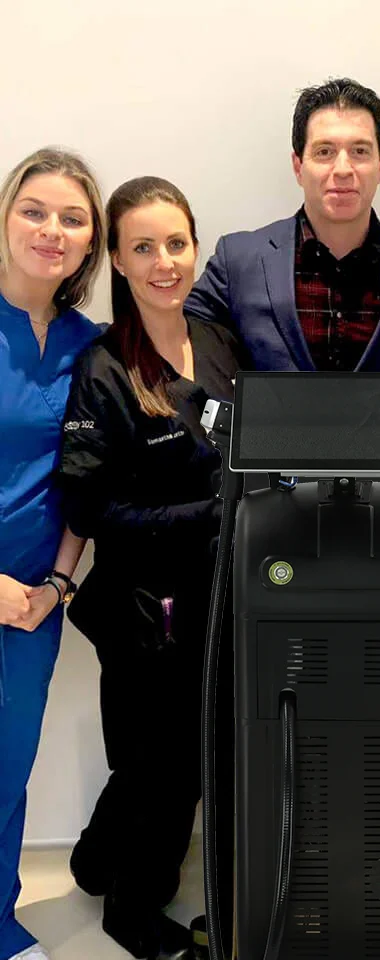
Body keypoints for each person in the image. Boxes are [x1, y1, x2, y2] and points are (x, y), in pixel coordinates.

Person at [58, 177, 238, 960]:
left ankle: (96, 861)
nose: (164, 261)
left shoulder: (217, 341)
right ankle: (131, 912)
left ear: (195, 246)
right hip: (142, 605)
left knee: (181, 756)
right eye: (143, 247)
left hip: (216, 593)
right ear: (118, 261)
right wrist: (208, 515)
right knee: (156, 764)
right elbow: (89, 506)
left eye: (176, 243)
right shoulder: (104, 368)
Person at [0, 147, 105, 960]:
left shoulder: (88, 345)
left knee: (9, 768)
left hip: (36, 598)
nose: (51, 230)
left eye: (72, 218)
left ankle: (0, 922)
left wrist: (59, 584)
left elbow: (86, 477)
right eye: (34, 211)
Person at [185, 77, 380, 371]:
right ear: (298, 166)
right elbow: (179, 333)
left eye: (360, 151)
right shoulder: (238, 261)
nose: (343, 169)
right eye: (325, 152)